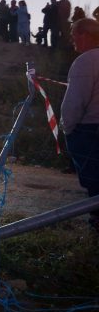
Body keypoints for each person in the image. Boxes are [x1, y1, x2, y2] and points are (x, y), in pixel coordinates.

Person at [60, 18, 99, 232]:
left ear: (85, 35)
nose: (72, 38)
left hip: (90, 130)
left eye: (74, 33)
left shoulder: (85, 62)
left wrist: (67, 129)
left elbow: (74, 103)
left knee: (93, 181)